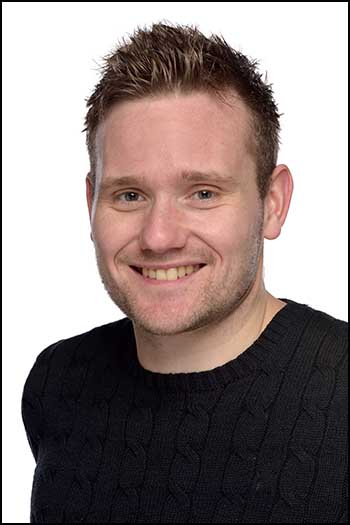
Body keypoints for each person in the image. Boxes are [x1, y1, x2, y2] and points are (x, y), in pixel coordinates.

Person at [22, 22, 348, 523]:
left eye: (203, 193)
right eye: (129, 195)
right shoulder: (57, 382)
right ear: (91, 204)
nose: (159, 237)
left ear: (273, 203)